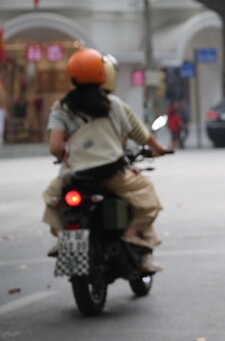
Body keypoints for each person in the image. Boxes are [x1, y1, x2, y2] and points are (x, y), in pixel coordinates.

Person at [42, 48, 166, 272]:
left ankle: (64, 238)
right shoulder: (114, 105)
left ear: (72, 75)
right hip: (113, 174)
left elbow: (55, 147)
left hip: (76, 176)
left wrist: (67, 158)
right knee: (147, 197)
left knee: (52, 197)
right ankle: (131, 236)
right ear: (103, 74)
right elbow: (124, 140)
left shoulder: (61, 108)